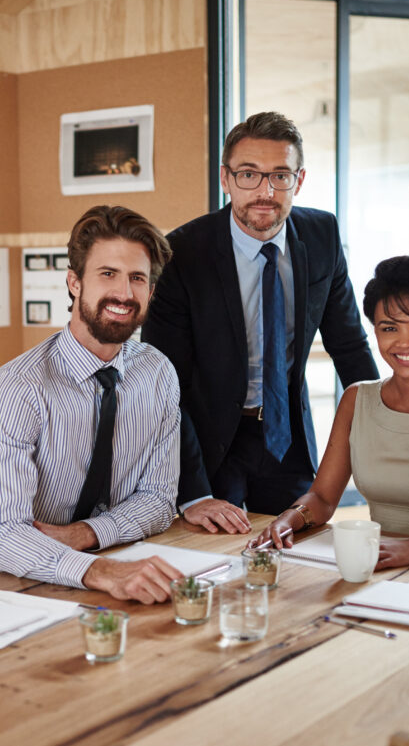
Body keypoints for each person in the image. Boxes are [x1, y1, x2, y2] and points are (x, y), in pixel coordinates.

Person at [142, 111, 379, 530]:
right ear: (226, 178)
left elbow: (349, 346)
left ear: (299, 181)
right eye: (249, 174)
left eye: (280, 176)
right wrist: (194, 492)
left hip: (286, 437)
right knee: (213, 557)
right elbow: (163, 382)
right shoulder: (182, 253)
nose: (265, 191)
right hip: (209, 442)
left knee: (297, 554)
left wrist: (385, 431)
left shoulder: (322, 235)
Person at [0, 205, 183, 604]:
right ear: (74, 282)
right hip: (11, 587)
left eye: (138, 278)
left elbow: (159, 499)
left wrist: (88, 534)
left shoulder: (158, 373)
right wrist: (99, 571)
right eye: (107, 274)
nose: (124, 292)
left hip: (109, 573)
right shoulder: (19, 387)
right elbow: (1, 533)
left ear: (151, 291)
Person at [251, 255, 409, 570]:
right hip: (380, 564)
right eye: (389, 327)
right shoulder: (356, 399)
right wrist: (289, 519)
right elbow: (322, 499)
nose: (404, 342)